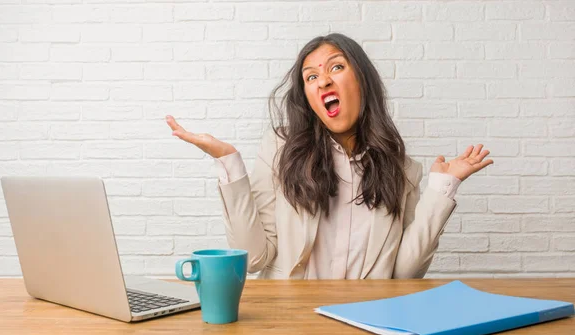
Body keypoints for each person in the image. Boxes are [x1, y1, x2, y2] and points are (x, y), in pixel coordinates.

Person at [165, 33, 493, 280]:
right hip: (291, 322)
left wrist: (442, 188)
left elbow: (405, 274)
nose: (323, 80)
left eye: (336, 67)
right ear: (307, 97)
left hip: (369, 321)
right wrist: (229, 163)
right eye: (311, 76)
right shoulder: (281, 150)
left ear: (362, 80)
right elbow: (254, 258)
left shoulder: (402, 169)